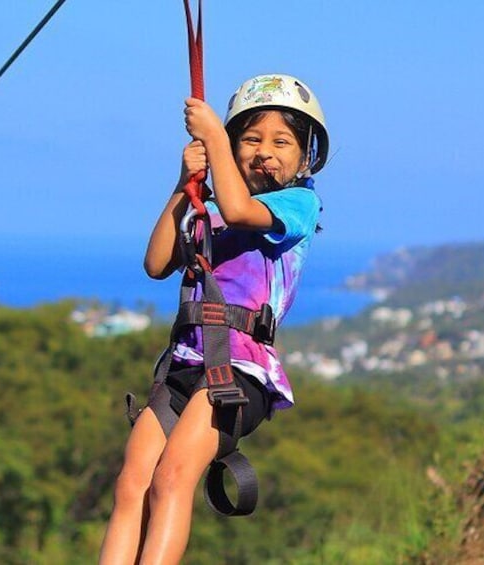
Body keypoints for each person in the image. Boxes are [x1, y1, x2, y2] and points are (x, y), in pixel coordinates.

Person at [98, 74, 329, 565]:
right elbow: (157, 263)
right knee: (131, 483)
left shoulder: (297, 204)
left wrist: (217, 141)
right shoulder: (214, 210)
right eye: (251, 139)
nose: (264, 151)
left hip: (239, 372)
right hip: (184, 366)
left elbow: (243, 209)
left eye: (281, 142)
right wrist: (184, 188)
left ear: (305, 158)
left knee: (172, 477)